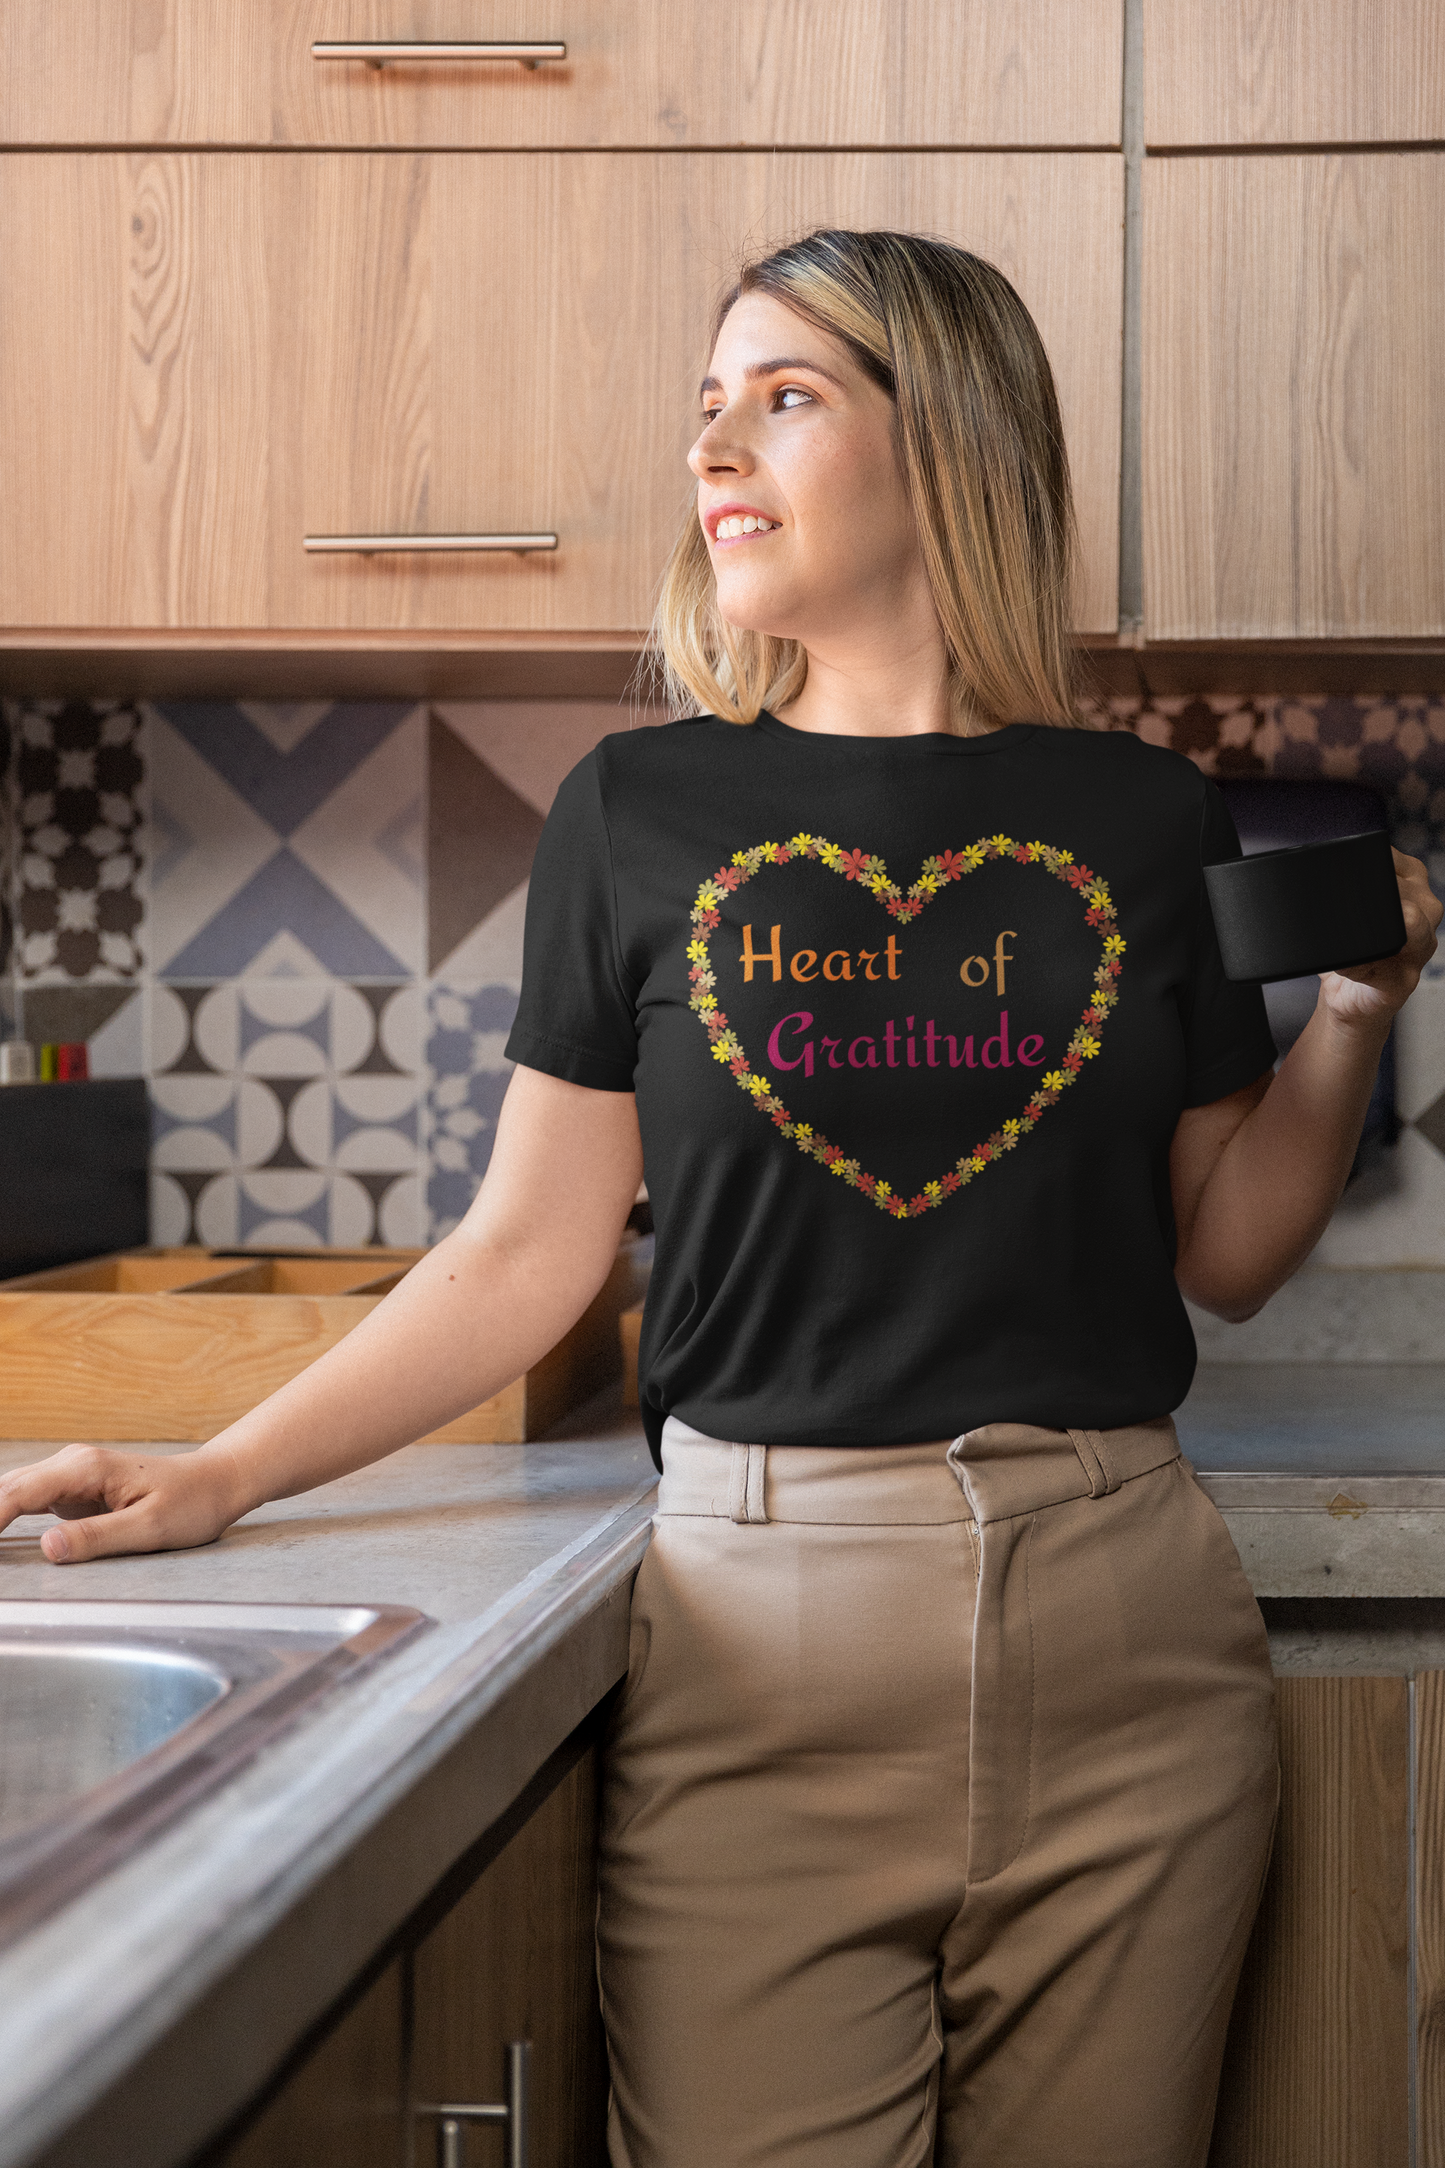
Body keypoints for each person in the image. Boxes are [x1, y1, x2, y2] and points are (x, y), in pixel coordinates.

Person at [0, 229, 1438, 2168]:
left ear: (948, 445)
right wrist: (217, 1469)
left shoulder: (1139, 816)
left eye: (783, 396)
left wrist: (1351, 1007)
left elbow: (1232, 1253)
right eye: (704, 407)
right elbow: (522, 1253)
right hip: (766, 1646)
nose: (713, 451)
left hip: (1130, 1641)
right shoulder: (635, 812)